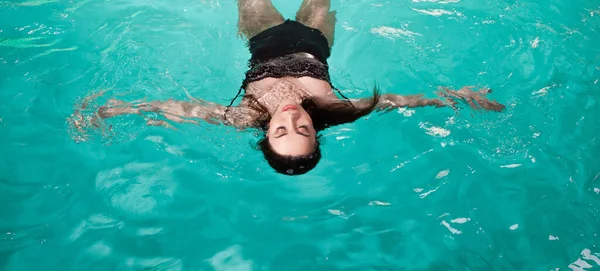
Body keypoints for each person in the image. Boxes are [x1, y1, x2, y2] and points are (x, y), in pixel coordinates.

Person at [72, 0, 505, 176]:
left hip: (263, 40)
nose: (293, 121)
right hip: (316, 44)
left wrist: (121, 109)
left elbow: (182, 108)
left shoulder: (243, 118)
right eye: (304, 131)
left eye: (282, 133)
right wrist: (456, 97)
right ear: (318, 133)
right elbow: (398, 101)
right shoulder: (337, 109)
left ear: (266, 136)